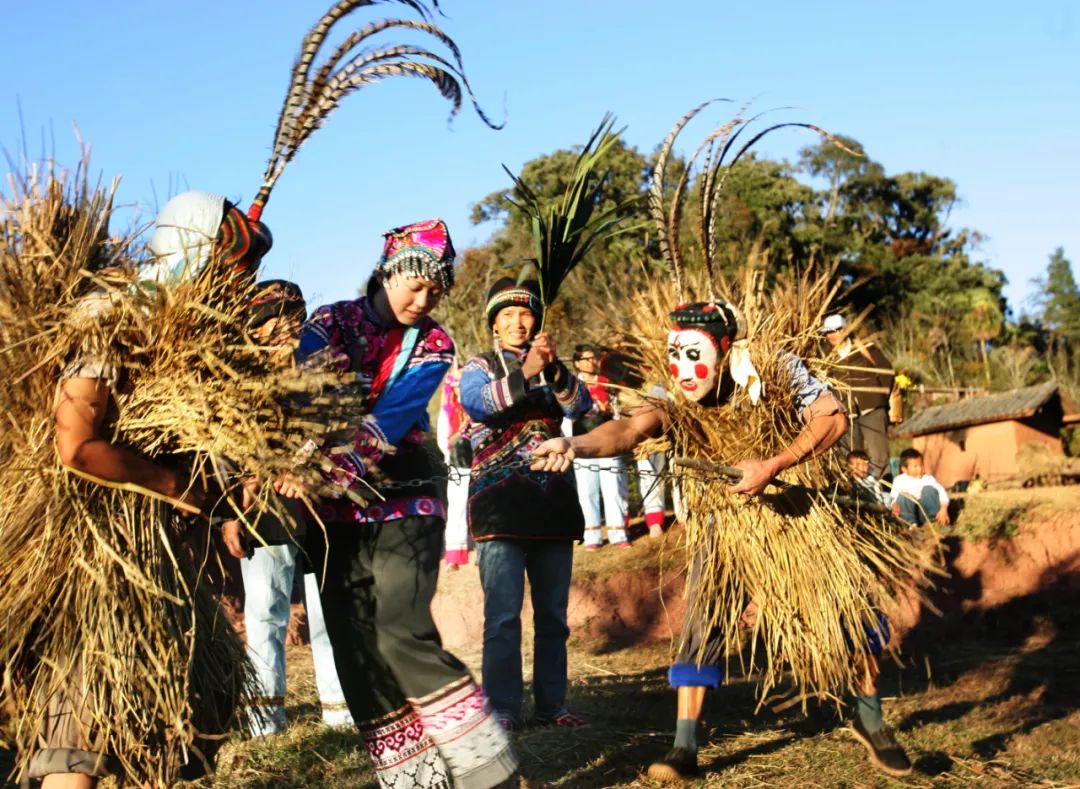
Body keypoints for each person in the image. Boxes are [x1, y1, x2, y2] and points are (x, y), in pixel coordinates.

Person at [532, 300, 914, 782]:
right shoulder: (670, 388)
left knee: (847, 612)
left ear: (726, 347)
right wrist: (573, 445)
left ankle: (870, 718)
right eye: (677, 356)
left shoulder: (775, 368)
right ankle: (684, 746)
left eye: (696, 355)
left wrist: (772, 465)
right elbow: (629, 428)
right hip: (724, 523)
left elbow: (832, 419)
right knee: (702, 625)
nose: (684, 370)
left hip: (795, 513)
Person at [39, 191, 271, 788]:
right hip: (102, 561)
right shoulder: (112, 315)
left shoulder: (197, 338)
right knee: (84, 725)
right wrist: (175, 482)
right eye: (223, 271)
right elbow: (77, 446)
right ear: (191, 251)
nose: (230, 290)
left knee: (189, 725)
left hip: (175, 565)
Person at [293, 219, 516, 789]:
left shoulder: (435, 345)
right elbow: (296, 389)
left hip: (406, 494)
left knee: (400, 625)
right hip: (332, 512)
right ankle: (414, 781)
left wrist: (327, 467)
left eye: (436, 291)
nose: (424, 301)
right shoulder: (328, 323)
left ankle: (487, 771)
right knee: (355, 645)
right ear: (388, 272)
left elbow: (391, 419)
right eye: (414, 286)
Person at [459, 277, 592, 732]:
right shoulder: (480, 365)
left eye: (526, 315)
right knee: (503, 617)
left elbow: (583, 408)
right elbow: (477, 404)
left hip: (553, 503)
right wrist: (527, 371)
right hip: (499, 508)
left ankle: (553, 705)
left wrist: (553, 370)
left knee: (553, 616)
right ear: (494, 324)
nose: (518, 322)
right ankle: (503, 709)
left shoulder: (553, 367)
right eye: (508, 316)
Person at [221, 280, 352, 736]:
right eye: (273, 319)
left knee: (325, 611)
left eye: (293, 317)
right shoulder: (236, 382)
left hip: (320, 507)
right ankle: (264, 719)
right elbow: (225, 450)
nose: (283, 328)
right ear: (254, 328)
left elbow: (339, 426)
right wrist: (231, 512)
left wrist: (303, 465)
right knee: (264, 610)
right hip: (263, 511)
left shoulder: (324, 371)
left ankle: (338, 712)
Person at [821, 313, 896, 478]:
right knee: (851, 457)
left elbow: (886, 371)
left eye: (835, 331)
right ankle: (859, 495)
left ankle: (885, 493)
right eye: (828, 333)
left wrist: (879, 397)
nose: (831, 336)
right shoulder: (826, 358)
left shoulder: (866, 347)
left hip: (873, 409)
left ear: (844, 330)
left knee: (879, 455)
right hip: (847, 413)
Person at [570, 343, 630, 550]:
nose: (591, 362)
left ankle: (619, 533)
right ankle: (593, 535)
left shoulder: (607, 382)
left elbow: (616, 411)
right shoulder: (571, 386)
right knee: (587, 490)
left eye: (594, 357)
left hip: (607, 441)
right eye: (586, 358)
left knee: (613, 486)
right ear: (577, 362)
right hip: (582, 442)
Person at [436, 359, 473, 568]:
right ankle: (455, 555)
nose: (460, 388)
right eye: (456, 384)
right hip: (458, 463)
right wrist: (451, 452)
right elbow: (443, 439)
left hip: (481, 462)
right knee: (458, 505)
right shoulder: (448, 411)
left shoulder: (479, 410)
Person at [890, 448, 951, 527]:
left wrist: (944, 508)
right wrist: (894, 505)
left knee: (928, 490)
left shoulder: (928, 479)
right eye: (915, 467)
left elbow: (942, 492)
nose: (919, 469)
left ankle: (935, 521)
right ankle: (911, 525)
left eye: (921, 465)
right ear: (904, 469)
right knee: (902, 496)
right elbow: (893, 497)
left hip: (925, 512)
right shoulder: (899, 480)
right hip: (909, 513)